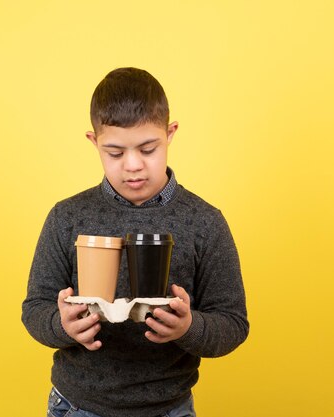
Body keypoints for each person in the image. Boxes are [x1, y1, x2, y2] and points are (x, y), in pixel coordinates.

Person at [22, 67, 249, 417]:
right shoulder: (66, 217)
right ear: (93, 141)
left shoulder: (205, 222)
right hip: (77, 405)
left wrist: (189, 328)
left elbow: (233, 323)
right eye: (115, 153)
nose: (133, 166)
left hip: (169, 408)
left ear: (170, 133)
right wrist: (61, 325)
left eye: (148, 149)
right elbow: (35, 308)